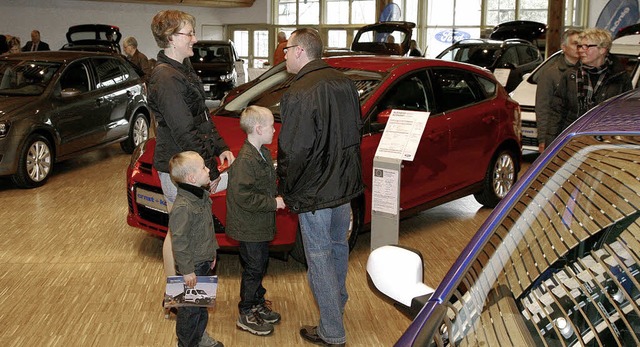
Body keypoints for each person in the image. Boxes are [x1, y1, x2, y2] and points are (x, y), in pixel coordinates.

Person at [148, 9, 235, 330]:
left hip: (190, 163)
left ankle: (179, 299)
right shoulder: (165, 78)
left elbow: (203, 118)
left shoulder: (180, 70)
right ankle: (181, 301)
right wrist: (208, 170)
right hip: (180, 168)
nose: (195, 39)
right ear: (171, 38)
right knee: (183, 232)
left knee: (178, 230)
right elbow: (185, 131)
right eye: (189, 33)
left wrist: (221, 145)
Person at [277, 28, 364, 347]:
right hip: (344, 187)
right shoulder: (346, 83)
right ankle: (336, 305)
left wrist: (285, 188)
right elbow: (355, 131)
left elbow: (294, 149)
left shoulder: (299, 91)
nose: (283, 54)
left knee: (319, 257)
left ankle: (332, 330)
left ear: (300, 51)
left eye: (286, 49)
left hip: (315, 192)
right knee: (338, 247)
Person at [225, 105, 286, 336]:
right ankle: (246, 311)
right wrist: (273, 203)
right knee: (253, 268)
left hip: (258, 225)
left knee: (260, 264)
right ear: (259, 129)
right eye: (271, 126)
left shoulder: (263, 153)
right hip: (249, 227)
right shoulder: (246, 160)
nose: (274, 130)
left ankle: (257, 302)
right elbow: (243, 196)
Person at [168, 151, 222, 347]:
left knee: (201, 306)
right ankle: (186, 342)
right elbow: (179, 241)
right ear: (191, 178)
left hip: (204, 260)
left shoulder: (201, 196)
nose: (208, 170)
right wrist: (187, 270)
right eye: (204, 168)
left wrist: (212, 251)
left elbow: (208, 229)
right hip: (192, 266)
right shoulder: (183, 206)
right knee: (189, 310)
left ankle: (199, 337)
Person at [549, 28, 631, 145]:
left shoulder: (620, 77)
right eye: (580, 46)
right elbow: (557, 113)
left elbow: (625, 117)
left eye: (586, 46)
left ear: (602, 50)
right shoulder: (570, 76)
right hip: (572, 141)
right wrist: (550, 144)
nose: (582, 51)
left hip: (605, 143)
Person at [535, 29, 581, 153]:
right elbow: (543, 108)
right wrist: (543, 140)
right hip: (558, 133)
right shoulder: (550, 73)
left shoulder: (586, 70)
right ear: (564, 47)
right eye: (575, 44)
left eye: (581, 44)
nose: (579, 48)